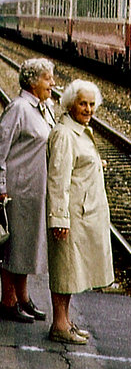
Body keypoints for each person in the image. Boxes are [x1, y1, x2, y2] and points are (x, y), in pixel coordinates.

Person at [46, 79, 114, 344]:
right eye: (83, 103)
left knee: (72, 270)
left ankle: (66, 321)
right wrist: (59, 218)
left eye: (91, 104)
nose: (88, 109)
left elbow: (77, 164)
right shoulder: (65, 133)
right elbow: (58, 180)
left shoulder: (80, 129)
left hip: (80, 214)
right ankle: (59, 325)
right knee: (65, 269)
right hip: (70, 214)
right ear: (70, 104)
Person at [0, 58, 56, 323]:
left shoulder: (43, 108)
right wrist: (0, 187)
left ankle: (23, 298)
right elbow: (0, 149)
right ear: (33, 82)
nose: (52, 84)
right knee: (13, 247)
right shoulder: (19, 108)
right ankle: (8, 301)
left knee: (26, 245)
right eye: (48, 79)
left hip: (34, 189)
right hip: (16, 189)